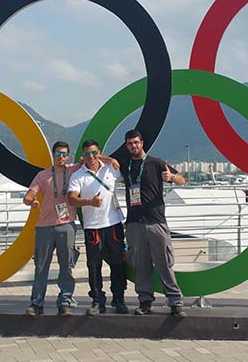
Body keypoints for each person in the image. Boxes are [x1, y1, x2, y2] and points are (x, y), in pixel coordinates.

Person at [120, 129, 188, 319]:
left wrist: (171, 178)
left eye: (136, 142)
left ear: (142, 143)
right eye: (130, 143)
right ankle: (145, 302)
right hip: (134, 223)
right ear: (126, 146)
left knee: (164, 263)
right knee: (141, 265)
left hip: (156, 221)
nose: (133, 146)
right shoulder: (125, 166)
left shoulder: (157, 163)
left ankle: (175, 302)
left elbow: (182, 180)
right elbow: (107, 165)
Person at [68, 139, 129, 315]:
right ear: (83, 156)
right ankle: (97, 300)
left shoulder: (110, 169)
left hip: (114, 224)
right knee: (94, 265)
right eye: (87, 154)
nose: (91, 157)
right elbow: (71, 198)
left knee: (118, 263)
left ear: (99, 152)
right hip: (92, 227)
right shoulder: (78, 175)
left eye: (94, 153)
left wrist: (110, 160)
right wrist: (89, 202)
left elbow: (127, 178)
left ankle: (119, 298)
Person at [23, 141, 81, 317]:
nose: (61, 157)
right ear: (53, 155)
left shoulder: (73, 170)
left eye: (64, 154)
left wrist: (112, 161)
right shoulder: (42, 175)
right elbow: (28, 196)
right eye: (57, 154)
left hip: (67, 225)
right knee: (41, 267)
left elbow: (93, 158)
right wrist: (31, 201)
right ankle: (36, 303)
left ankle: (65, 301)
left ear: (68, 156)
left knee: (67, 266)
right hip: (44, 227)